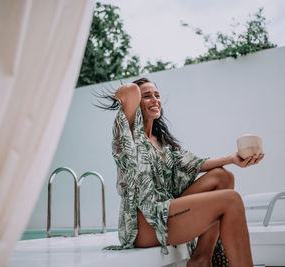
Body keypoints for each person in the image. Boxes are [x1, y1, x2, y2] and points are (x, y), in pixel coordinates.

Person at [103, 77, 264, 267]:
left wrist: (233, 159)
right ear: (136, 103)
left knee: (223, 176)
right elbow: (129, 90)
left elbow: (194, 163)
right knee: (231, 199)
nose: (155, 100)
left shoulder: (161, 142)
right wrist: (127, 96)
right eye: (147, 96)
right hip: (145, 223)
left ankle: (201, 258)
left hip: (167, 209)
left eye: (157, 95)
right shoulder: (127, 134)